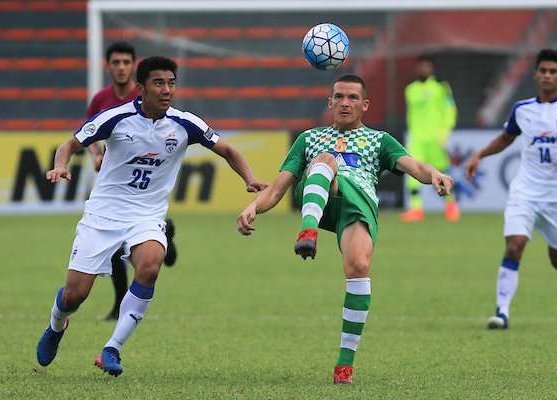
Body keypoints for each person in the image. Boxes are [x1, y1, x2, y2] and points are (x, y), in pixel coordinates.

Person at [37, 56, 267, 377]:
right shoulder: (116, 118)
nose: (167, 89)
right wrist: (61, 164)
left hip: (146, 215)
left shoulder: (185, 123)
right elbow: (70, 144)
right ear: (141, 88)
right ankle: (56, 325)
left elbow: (227, 150)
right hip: (103, 215)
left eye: (171, 83)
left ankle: (112, 349)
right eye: (159, 83)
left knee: (150, 265)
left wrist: (249, 178)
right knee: (75, 294)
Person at [237, 75, 453, 384]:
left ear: (365, 105)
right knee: (325, 160)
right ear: (329, 102)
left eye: (352, 97)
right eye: (338, 97)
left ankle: (344, 365)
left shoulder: (380, 140)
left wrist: (434, 173)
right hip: (318, 197)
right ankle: (307, 231)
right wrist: (253, 207)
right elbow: (276, 189)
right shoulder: (309, 139)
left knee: (359, 267)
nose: (344, 103)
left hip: (357, 204)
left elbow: (414, 167)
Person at [464, 48, 557, 330]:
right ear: (536, 74)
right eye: (543, 71)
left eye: (553, 72)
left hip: (555, 197)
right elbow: (507, 137)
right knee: (514, 245)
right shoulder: (522, 109)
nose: (548, 76)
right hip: (526, 191)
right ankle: (502, 312)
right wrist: (480, 154)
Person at [87, 42, 178, 321]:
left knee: (134, 245)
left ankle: (163, 233)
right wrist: (95, 155)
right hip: (115, 181)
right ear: (108, 66)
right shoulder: (101, 99)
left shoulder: (149, 95)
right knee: (113, 249)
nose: (121, 67)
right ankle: (118, 304)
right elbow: (88, 134)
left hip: (147, 186)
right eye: (116, 62)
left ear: (134, 67)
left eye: (126, 62)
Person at [401, 55, 459, 222]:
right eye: (421, 67)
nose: (423, 70)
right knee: (411, 170)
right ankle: (416, 208)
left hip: (435, 137)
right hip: (417, 138)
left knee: (442, 171)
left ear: (432, 69)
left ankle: (451, 205)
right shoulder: (410, 90)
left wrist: (445, 131)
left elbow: (450, 110)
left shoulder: (441, 88)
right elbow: (411, 114)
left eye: (426, 67)